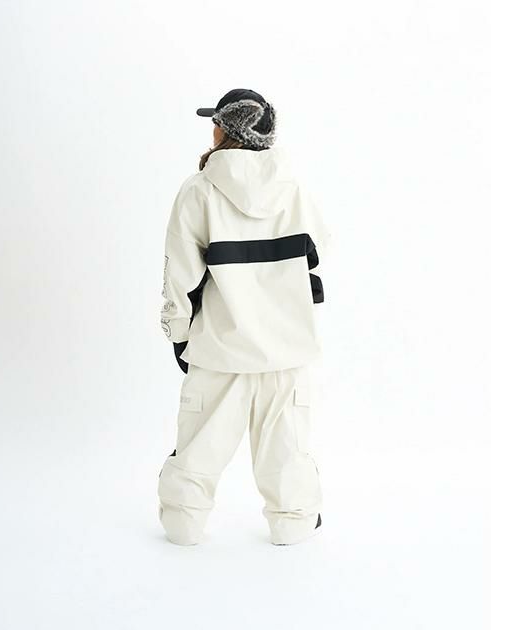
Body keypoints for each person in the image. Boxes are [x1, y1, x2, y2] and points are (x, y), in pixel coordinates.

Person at [158, 88, 330, 546]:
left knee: (198, 448)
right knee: (286, 451)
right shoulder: (293, 187)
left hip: (220, 348)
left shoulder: (199, 190)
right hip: (286, 350)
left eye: (215, 122)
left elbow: (180, 275)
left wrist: (179, 334)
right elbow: (318, 254)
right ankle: (293, 527)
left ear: (226, 131)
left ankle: (182, 526)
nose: (211, 130)